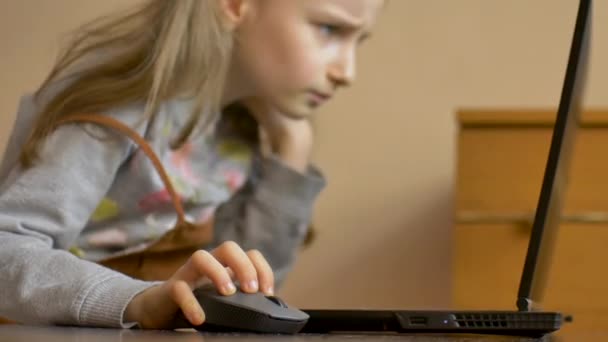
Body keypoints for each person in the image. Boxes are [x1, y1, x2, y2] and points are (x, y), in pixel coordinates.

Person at [0, 0, 383, 330]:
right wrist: (140, 300)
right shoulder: (120, 102)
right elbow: (7, 250)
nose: (347, 72)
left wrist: (292, 149)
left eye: (359, 41)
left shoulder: (238, 128)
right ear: (235, 5)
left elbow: (247, 299)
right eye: (329, 29)